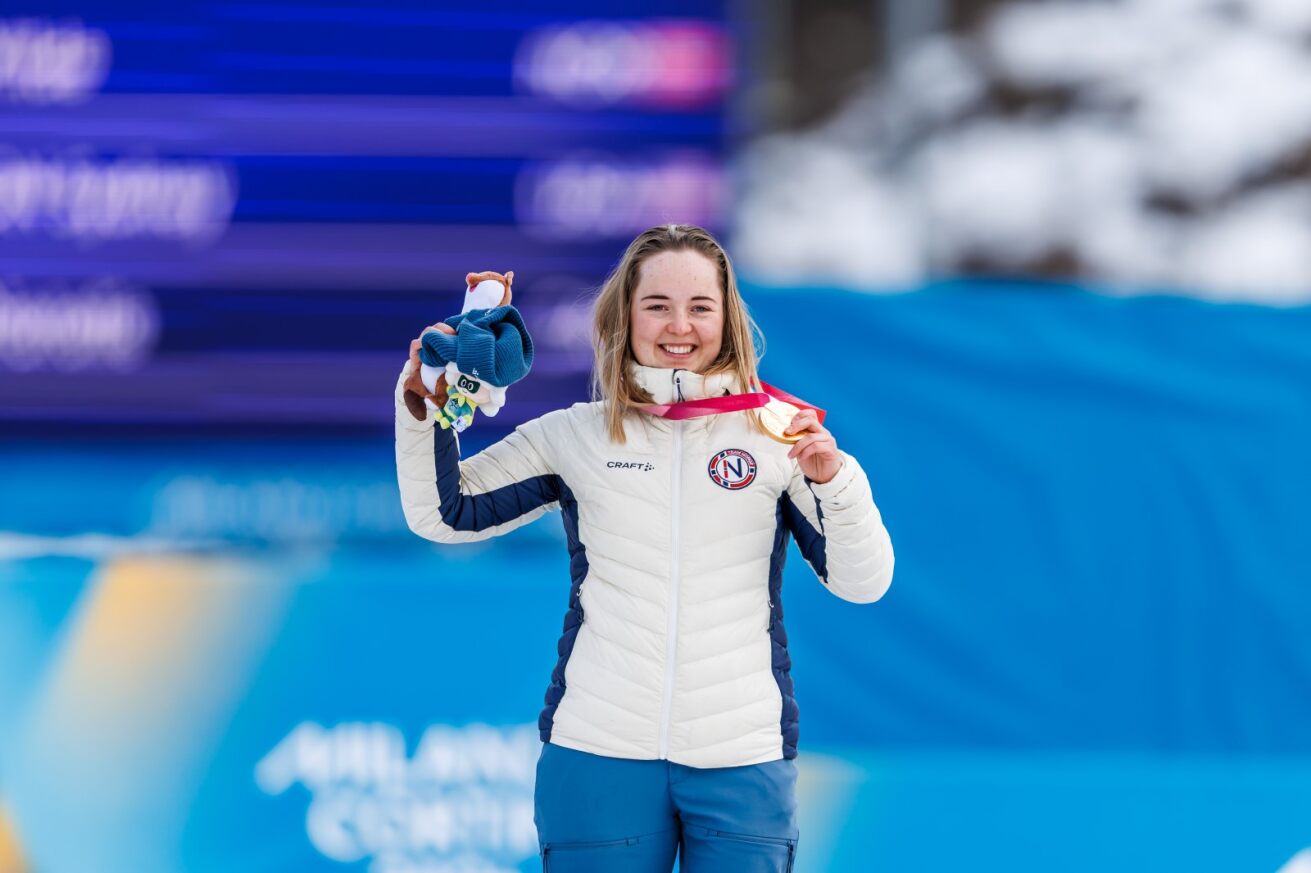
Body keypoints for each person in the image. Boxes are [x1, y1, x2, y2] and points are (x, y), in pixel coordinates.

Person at [395, 224, 894, 873]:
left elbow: (863, 582)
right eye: (656, 304)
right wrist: (422, 405)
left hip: (740, 759)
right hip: (597, 756)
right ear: (623, 316)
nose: (678, 324)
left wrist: (836, 481)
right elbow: (445, 512)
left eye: (699, 306)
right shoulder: (574, 436)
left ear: (729, 318)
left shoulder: (782, 436)